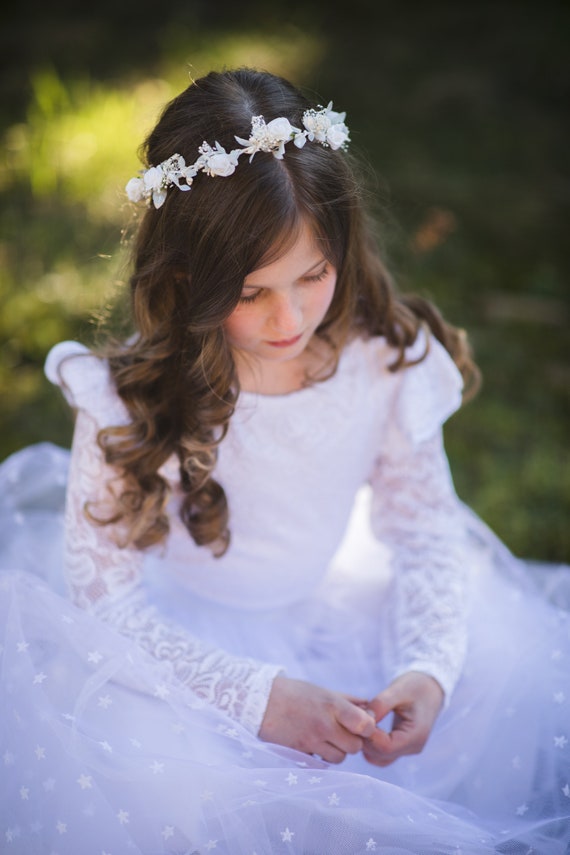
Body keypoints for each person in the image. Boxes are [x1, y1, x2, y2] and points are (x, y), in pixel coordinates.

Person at [0, 67, 568, 855]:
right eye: (252, 291)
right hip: (178, 649)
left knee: (469, 696)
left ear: (344, 242)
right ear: (187, 277)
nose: (290, 316)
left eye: (313, 275)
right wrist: (254, 698)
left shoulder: (381, 361)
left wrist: (428, 667)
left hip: (332, 613)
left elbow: (427, 530)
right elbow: (111, 608)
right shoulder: (126, 400)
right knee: (180, 791)